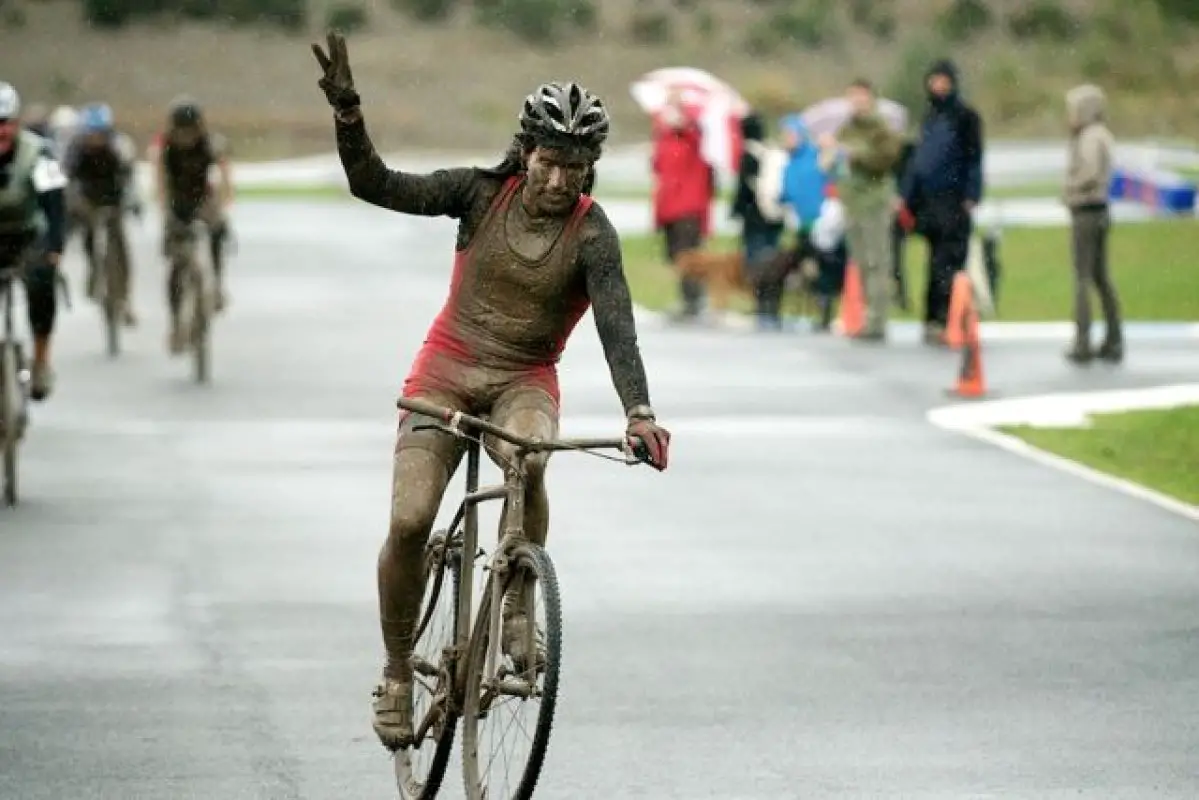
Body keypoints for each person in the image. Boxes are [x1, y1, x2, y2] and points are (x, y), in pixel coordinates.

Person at [310, 32, 672, 752]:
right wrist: (348, 112)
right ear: (524, 152)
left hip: (524, 377)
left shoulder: (593, 236)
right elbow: (375, 184)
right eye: (547, 162)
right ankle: (392, 673)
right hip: (445, 369)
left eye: (574, 166)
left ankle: (516, 598)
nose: (558, 179)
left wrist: (639, 411)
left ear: (589, 168)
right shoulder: (476, 193)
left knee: (530, 458)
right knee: (411, 520)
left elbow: (616, 329)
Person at [899, 59, 984, 345]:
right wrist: (907, 198)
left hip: (954, 199)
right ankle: (932, 318)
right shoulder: (930, 117)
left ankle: (951, 316)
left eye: (943, 80)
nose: (938, 86)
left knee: (950, 262)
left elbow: (974, 159)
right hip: (930, 202)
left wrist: (972, 195)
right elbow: (919, 163)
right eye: (934, 80)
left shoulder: (965, 117)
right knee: (933, 263)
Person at [0, 82, 66, 401]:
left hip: (26, 237)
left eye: (6, 124)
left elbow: (55, 202)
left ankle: (40, 360)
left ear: (17, 123)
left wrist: (55, 248)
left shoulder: (39, 153)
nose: (1, 132)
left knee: (42, 283)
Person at [823, 79, 902, 342]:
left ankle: (878, 320)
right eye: (852, 96)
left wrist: (856, 154)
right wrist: (830, 153)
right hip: (852, 202)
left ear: (870, 98)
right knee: (860, 263)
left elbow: (887, 158)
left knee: (877, 261)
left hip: (874, 200)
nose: (856, 102)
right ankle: (867, 315)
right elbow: (835, 163)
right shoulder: (847, 128)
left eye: (861, 96)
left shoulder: (881, 128)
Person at [153, 96, 234, 353]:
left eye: (190, 131)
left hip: (203, 200)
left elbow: (224, 174)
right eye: (181, 131)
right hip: (178, 204)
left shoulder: (210, 144)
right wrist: (165, 209)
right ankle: (176, 322)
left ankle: (218, 285)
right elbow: (160, 180)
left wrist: (223, 202)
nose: (186, 137)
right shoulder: (164, 148)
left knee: (218, 230)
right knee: (177, 263)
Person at [62, 102, 141, 324]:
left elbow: (130, 179)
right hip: (88, 202)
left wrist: (134, 203)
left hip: (113, 201)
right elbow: (67, 178)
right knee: (88, 240)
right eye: (91, 134)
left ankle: (124, 300)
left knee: (121, 250)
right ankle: (93, 273)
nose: (96, 139)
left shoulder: (120, 146)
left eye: (100, 134)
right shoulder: (76, 148)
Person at [1063, 83, 1122, 364]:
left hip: (1085, 210)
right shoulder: (1102, 135)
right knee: (1101, 276)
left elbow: (1089, 171)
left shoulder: (1089, 137)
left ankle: (1082, 342)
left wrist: (1069, 189)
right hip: (1100, 210)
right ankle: (1114, 338)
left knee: (1083, 278)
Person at [651, 88, 715, 321]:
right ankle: (689, 298)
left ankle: (695, 300)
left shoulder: (693, 137)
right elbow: (657, 166)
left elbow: (697, 133)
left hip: (688, 206)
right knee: (675, 255)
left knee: (689, 255)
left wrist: (684, 117)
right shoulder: (663, 137)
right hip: (668, 206)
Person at [730, 111, 787, 329]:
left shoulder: (748, 155)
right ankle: (772, 304)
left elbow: (743, 190)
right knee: (772, 261)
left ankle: (761, 304)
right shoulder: (771, 153)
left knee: (756, 262)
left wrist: (736, 210)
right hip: (774, 216)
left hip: (754, 218)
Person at [778, 116, 834, 330]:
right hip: (799, 222)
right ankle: (805, 308)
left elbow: (830, 169)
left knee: (820, 266)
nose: (787, 139)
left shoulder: (814, 156)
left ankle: (824, 309)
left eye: (790, 135)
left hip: (819, 221)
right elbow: (788, 191)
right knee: (801, 268)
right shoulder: (788, 162)